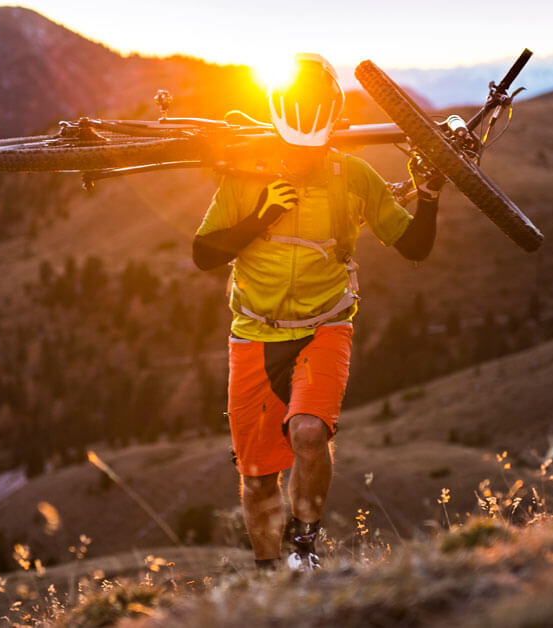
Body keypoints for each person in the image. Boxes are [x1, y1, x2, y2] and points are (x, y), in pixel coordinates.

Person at [191, 53, 444, 571]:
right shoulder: (245, 178)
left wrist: (431, 195)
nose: (300, 158)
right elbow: (204, 254)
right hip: (254, 334)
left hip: (324, 328)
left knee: (309, 433)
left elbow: (415, 247)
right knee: (259, 474)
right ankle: (268, 572)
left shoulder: (355, 175)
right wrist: (261, 218)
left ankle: (303, 550)